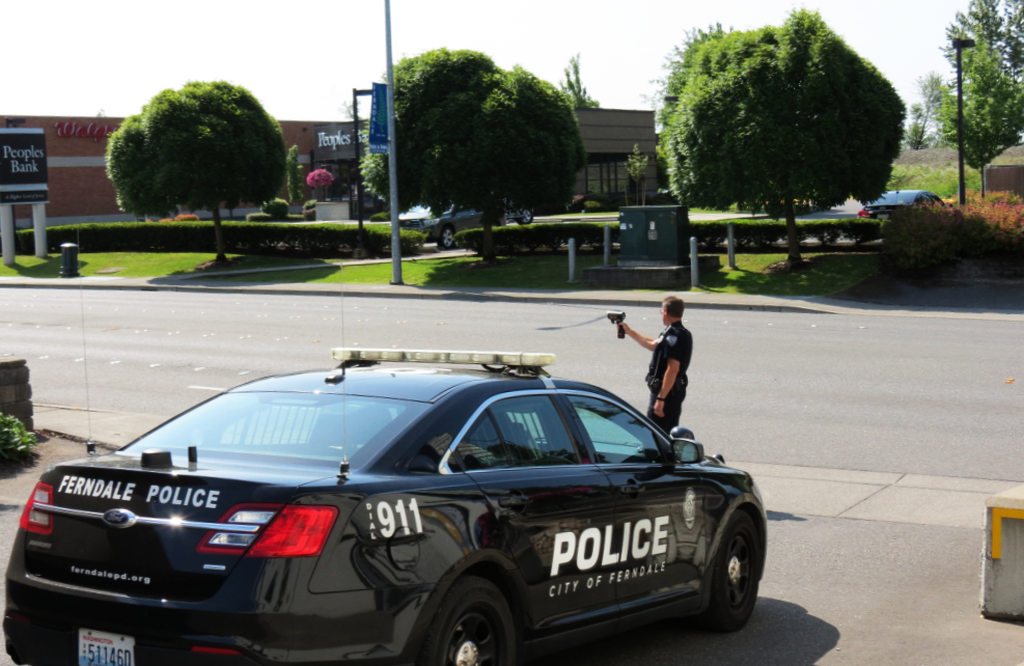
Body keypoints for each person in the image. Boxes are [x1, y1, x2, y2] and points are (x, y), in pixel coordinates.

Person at [616, 296, 692, 433]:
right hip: (672, 392)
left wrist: (661, 399)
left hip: (667, 393)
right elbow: (652, 345)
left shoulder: (673, 336)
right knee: (666, 433)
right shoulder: (676, 332)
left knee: (654, 434)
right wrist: (628, 330)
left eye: (662, 311)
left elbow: (672, 369)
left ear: (666, 312)